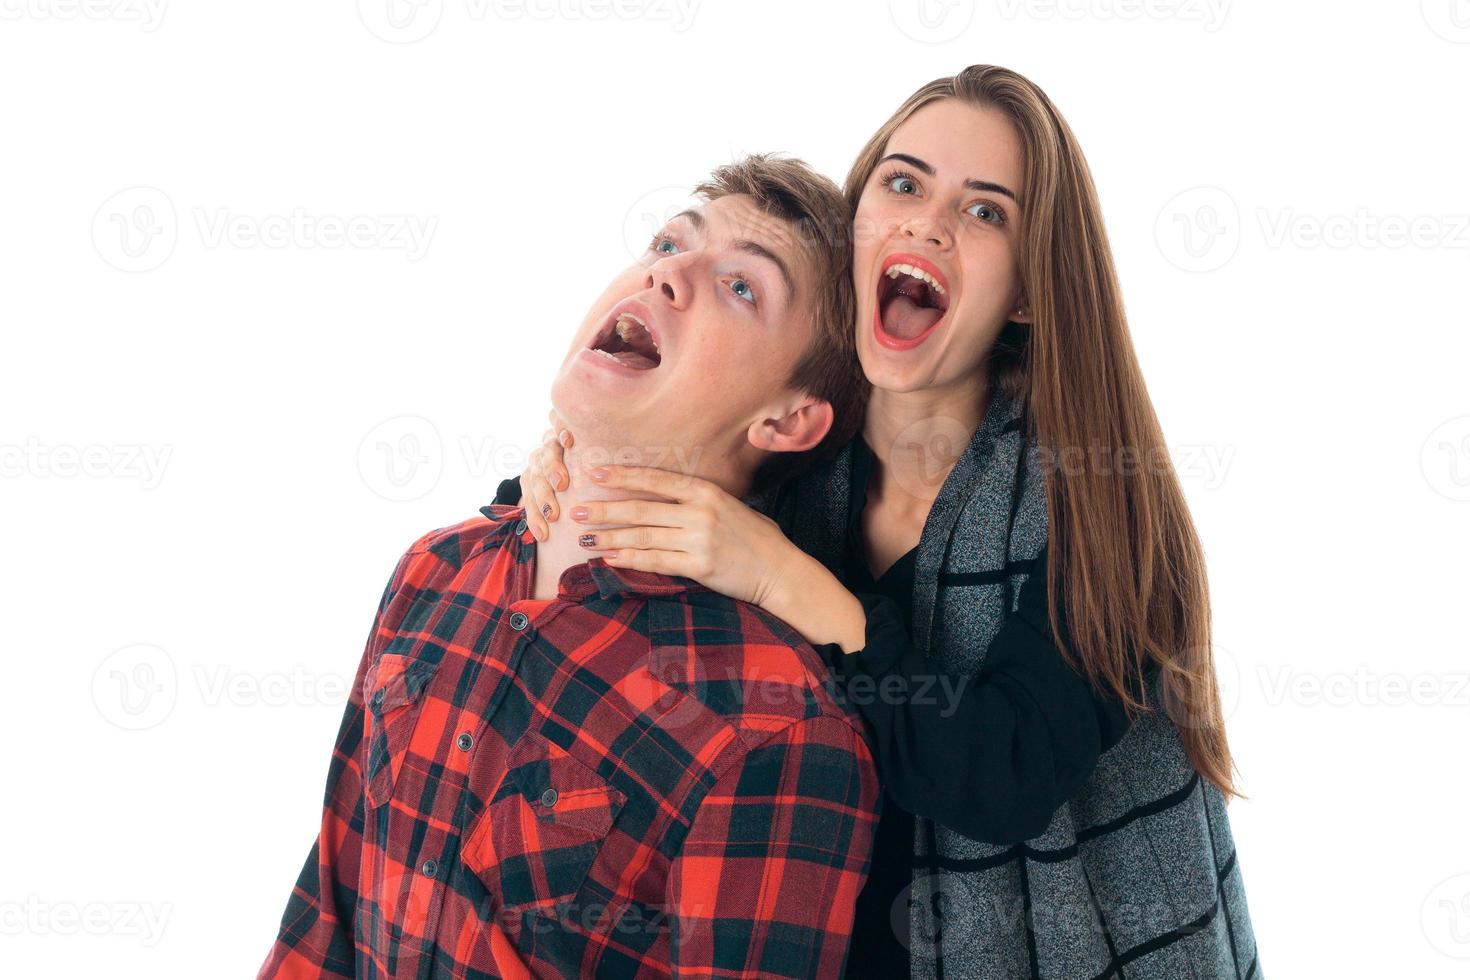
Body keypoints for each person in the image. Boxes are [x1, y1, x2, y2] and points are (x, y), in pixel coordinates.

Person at [498, 66, 1261, 978]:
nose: (926, 222)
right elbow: (653, 490)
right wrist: (568, 465)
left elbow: (999, 777)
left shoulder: (1102, 510)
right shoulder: (800, 446)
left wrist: (788, 581)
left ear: (1026, 293)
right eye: (902, 184)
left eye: (985, 212)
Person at [258, 155, 882, 979]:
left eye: (742, 288)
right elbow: (327, 910)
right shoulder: (432, 570)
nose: (668, 273)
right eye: (668, 242)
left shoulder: (780, 729)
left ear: (789, 420)